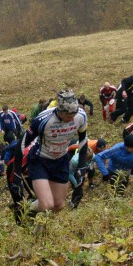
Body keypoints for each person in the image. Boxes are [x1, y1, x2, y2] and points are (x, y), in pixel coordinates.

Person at [18, 90, 88, 221]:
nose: (72, 118)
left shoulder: (81, 116)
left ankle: (38, 227)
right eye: (69, 115)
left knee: (58, 206)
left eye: (75, 113)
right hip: (40, 159)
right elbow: (22, 143)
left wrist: (82, 167)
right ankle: (23, 210)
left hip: (61, 160)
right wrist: (16, 172)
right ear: (60, 111)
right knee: (46, 204)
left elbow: (83, 141)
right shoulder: (43, 119)